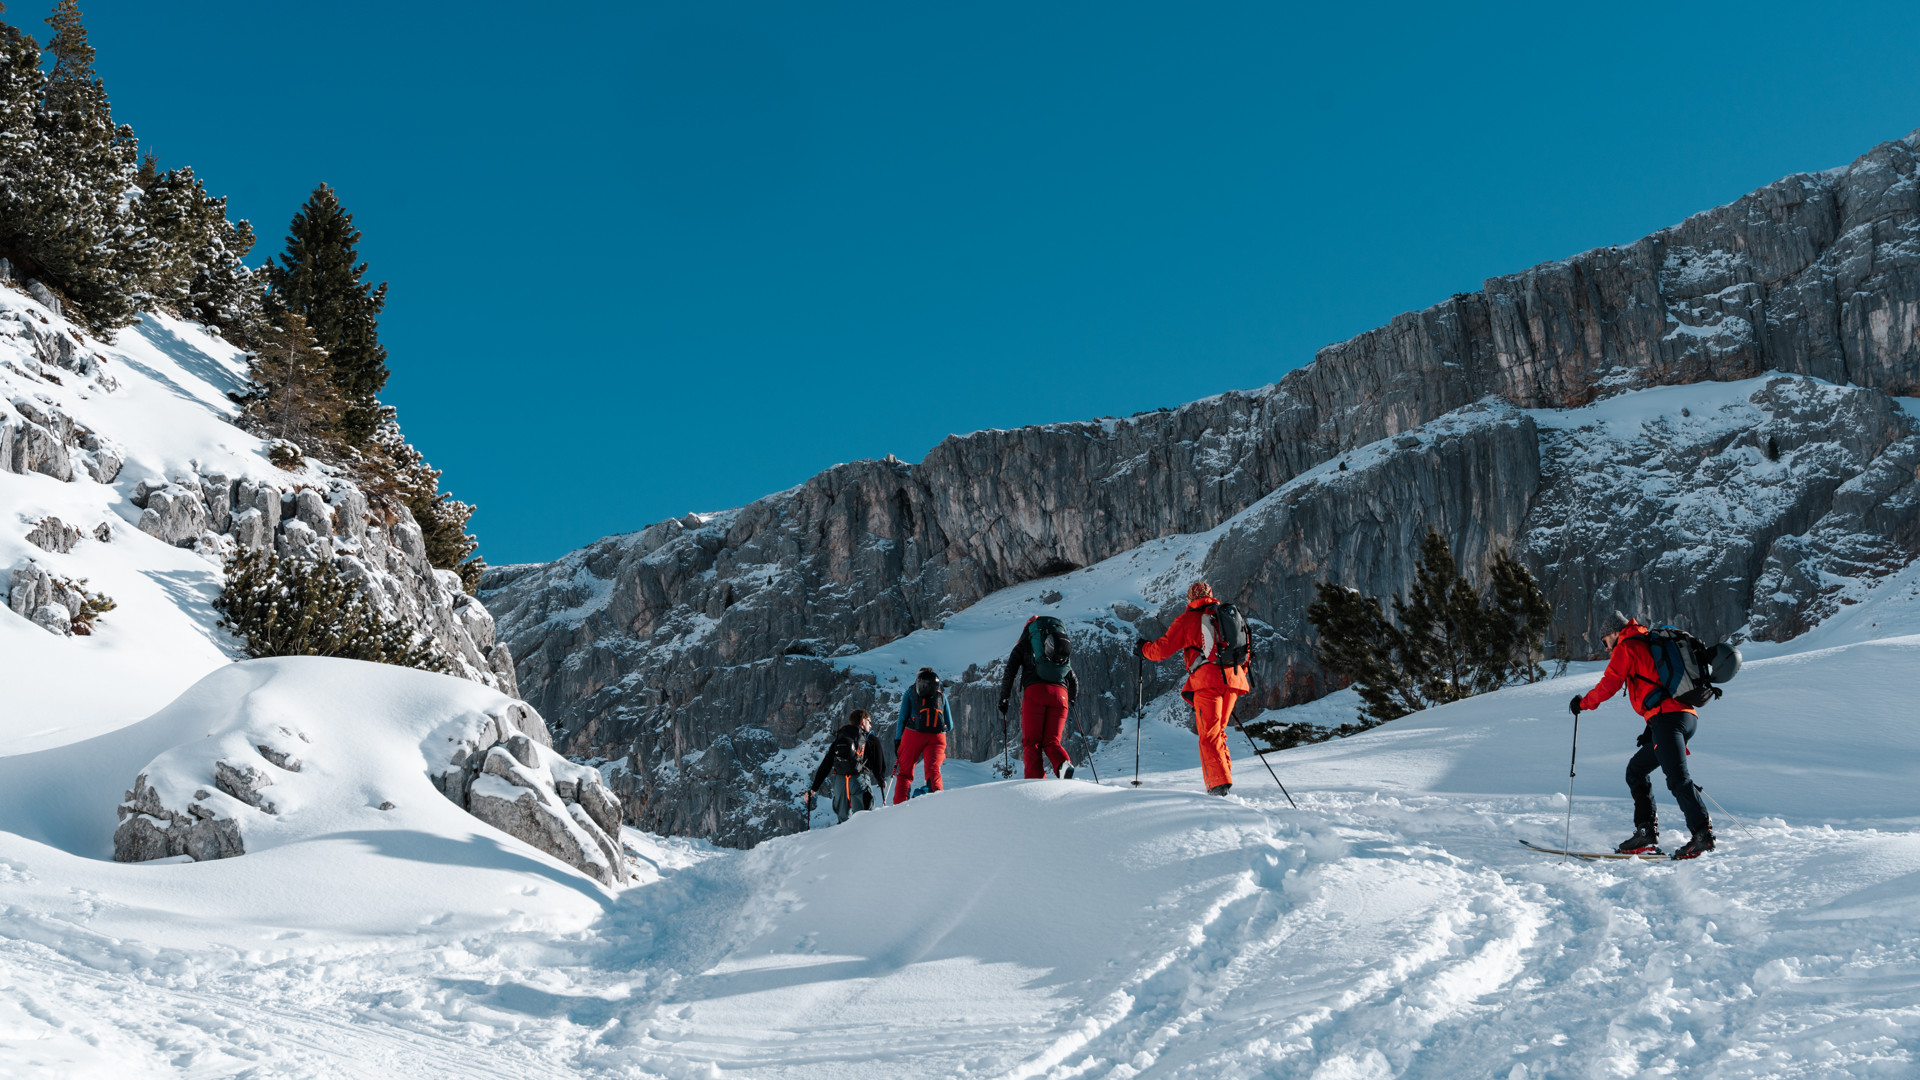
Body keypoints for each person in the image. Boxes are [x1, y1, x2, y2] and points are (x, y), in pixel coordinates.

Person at [1570, 611, 1714, 860]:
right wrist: (1651, 728)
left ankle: (1702, 835)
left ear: (1614, 633)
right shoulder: (1647, 641)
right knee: (1636, 770)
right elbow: (1656, 684)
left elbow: (1609, 684)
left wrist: (1582, 704)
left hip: (1668, 719)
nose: (1605, 649)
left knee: (1678, 779)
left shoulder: (1627, 647)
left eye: (1605, 642)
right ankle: (1646, 832)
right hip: (1683, 717)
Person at [1139, 582, 1250, 797]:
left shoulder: (1188, 619)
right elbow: (1244, 649)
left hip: (1207, 682)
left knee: (1208, 734)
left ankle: (1218, 786)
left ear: (1190, 599)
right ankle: (1223, 778)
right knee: (1218, 732)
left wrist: (1142, 649)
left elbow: (1161, 650)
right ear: (1211, 595)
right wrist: (1235, 676)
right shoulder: (1228, 616)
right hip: (1234, 680)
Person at [998, 615, 1079, 779]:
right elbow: (1073, 680)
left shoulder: (1025, 645)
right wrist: (1071, 699)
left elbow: (1010, 673)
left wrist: (1004, 698)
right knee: (1052, 741)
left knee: (1032, 743)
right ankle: (1063, 766)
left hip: (1036, 693)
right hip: (1061, 696)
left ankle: (1035, 784)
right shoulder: (1056, 649)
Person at [804, 708, 888, 824]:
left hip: (840, 783)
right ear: (863, 721)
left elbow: (827, 763)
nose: (871, 725)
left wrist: (814, 789)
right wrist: (881, 780)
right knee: (865, 821)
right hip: (859, 781)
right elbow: (878, 765)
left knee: (843, 824)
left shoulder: (840, 739)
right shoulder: (871, 739)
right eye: (869, 721)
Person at [893, 667, 951, 804]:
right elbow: (950, 724)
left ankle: (899, 806)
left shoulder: (910, 692)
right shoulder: (940, 695)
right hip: (937, 736)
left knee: (905, 774)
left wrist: (898, 740)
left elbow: (902, 718)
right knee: (933, 770)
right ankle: (937, 802)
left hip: (913, 734)